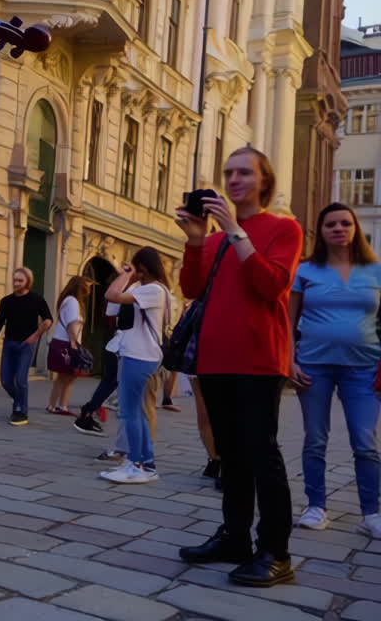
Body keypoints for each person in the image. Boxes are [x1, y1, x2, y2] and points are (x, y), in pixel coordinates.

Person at [175, 146, 302, 588]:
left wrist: (235, 232)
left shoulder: (283, 229)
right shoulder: (212, 239)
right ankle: (234, 537)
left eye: (244, 173)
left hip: (259, 358)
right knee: (230, 456)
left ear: (263, 181)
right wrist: (195, 239)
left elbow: (272, 285)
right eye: (228, 173)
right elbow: (191, 288)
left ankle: (276, 551)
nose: (233, 180)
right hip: (214, 357)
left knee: (261, 452)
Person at [289, 202, 381, 538]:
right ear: (322, 231)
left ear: (355, 228)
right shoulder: (305, 271)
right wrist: (289, 360)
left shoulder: (376, 271)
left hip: (365, 367)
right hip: (314, 365)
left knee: (366, 442)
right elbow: (289, 321)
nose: (339, 229)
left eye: (345, 223)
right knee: (315, 439)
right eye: (331, 224)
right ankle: (316, 506)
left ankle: (371, 514)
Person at [99, 248, 171, 484]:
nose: (133, 272)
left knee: (130, 412)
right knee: (136, 412)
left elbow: (111, 294)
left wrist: (126, 274)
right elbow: (113, 305)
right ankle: (145, 464)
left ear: (144, 268)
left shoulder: (153, 289)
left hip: (139, 355)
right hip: (140, 354)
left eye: (136, 267)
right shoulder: (153, 290)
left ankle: (136, 464)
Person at [0, 268, 53, 425]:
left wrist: (35, 336)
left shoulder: (36, 299)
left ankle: (20, 410)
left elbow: (48, 320)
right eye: (15, 280)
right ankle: (20, 401)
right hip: (9, 343)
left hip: (26, 344)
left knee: (21, 380)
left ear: (28, 282)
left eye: (20, 281)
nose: (16, 283)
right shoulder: (6, 301)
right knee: (5, 380)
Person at [73, 274, 134, 437]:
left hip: (116, 345)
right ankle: (91, 411)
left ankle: (89, 411)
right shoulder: (141, 293)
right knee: (115, 383)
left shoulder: (126, 294)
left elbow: (110, 311)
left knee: (110, 382)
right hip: (125, 347)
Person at [46, 276, 95, 415]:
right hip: (66, 342)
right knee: (67, 376)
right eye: (88, 286)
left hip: (62, 341)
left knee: (65, 376)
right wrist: (74, 344)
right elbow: (72, 324)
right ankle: (59, 406)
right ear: (81, 287)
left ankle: (57, 405)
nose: (89, 290)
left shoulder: (68, 300)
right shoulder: (73, 302)